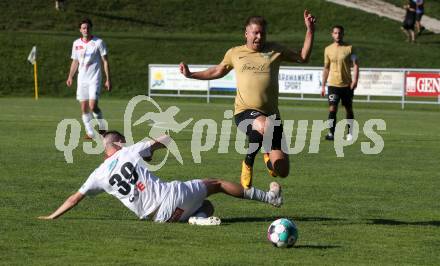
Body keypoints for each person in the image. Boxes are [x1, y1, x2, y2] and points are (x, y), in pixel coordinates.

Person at [180, 10, 316, 189]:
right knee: (264, 125)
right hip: (245, 111)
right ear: (246, 33)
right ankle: (248, 163)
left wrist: (310, 30)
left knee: (281, 169)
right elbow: (217, 71)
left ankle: (267, 154)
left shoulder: (276, 50)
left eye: (263, 33)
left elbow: (303, 58)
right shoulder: (235, 53)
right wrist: (191, 75)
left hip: (271, 116)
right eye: (256, 32)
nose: (260, 36)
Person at [38, 131, 282, 225]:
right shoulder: (130, 151)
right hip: (171, 196)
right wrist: (150, 150)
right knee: (215, 184)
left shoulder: (97, 174)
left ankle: (196, 220)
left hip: (160, 218)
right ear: (119, 143)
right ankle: (270, 198)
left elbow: (74, 199)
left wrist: (51, 216)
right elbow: (166, 138)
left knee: (206, 206)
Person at [66, 18, 111, 139]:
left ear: (91, 28)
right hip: (82, 80)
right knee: (84, 107)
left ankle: (102, 126)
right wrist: (70, 76)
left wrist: (108, 79)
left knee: (93, 106)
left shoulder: (98, 42)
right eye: (83, 28)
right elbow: (75, 61)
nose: (86, 30)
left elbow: (105, 61)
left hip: (94, 79)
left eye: (88, 28)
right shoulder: (76, 44)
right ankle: (90, 132)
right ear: (80, 30)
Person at [321, 25, 359, 141]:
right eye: (335, 33)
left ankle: (350, 133)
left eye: (340, 33)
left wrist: (355, 80)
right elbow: (326, 68)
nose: (338, 35)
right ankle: (332, 134)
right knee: (332, 108)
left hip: (346, 85)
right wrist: (323, 85)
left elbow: (356, 64)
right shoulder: (328, 49)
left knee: (348, 109)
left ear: (343, 34)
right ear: (332, 34)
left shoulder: (349, 48)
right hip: (333, 84)